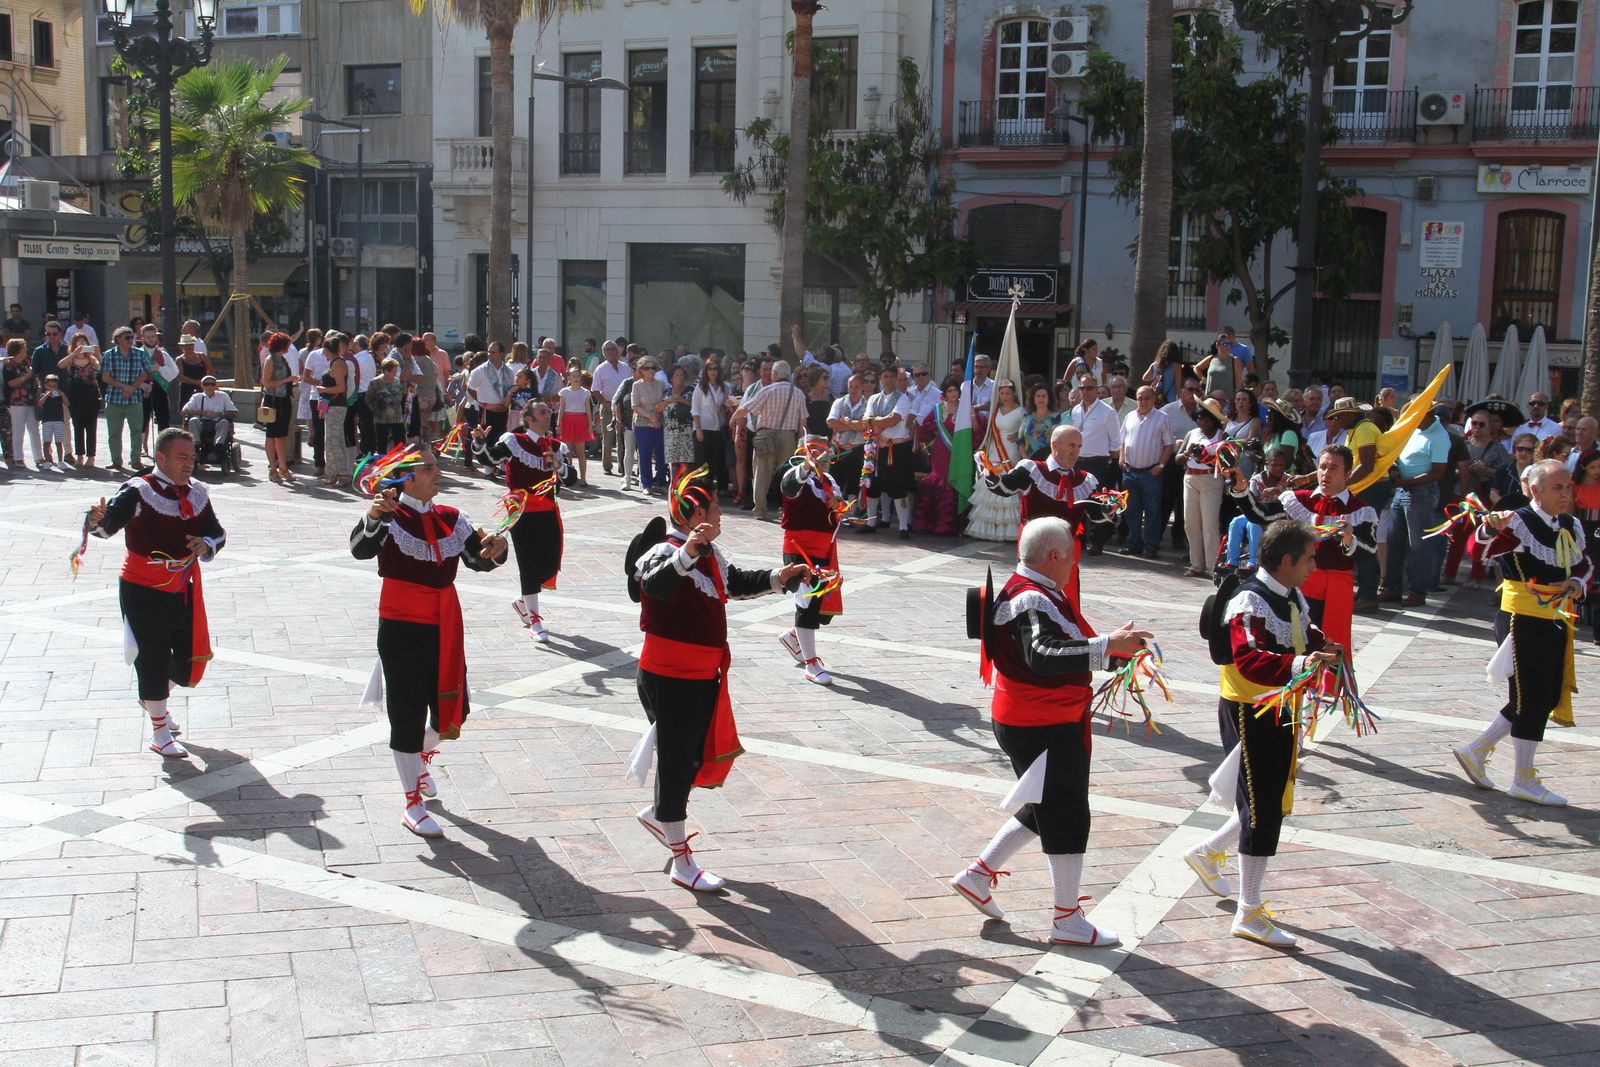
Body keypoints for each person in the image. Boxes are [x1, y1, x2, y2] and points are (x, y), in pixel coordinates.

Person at [950, 516, 1150, 945]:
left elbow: (1056, 650)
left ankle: (978, 875)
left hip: (1039, 717)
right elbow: (1042, 654)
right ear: (1055, 555)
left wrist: (1112, 650)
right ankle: (1066, 919)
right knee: (1067, 813)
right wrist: (1105, 646)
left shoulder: (1036, 591)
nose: (1075, 563)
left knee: (1047, 804)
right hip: (1041, 721)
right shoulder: (1031, 598)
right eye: (1072, 556)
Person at [626, 472, 808, 890]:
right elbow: (654, 586)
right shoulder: (664, 551)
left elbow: (734, 582)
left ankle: (658, 815)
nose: (721, 512)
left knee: (691, 757)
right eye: (714, 506)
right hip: (669, 676)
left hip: (701, 675)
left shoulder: (709, 553)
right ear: (697, 516)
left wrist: (780, 577)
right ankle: (681, 861)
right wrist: (687, 551)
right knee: (677, 764)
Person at [1183, 519, 1336, 948]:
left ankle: (1207, 853)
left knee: (1265, 798)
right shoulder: (1249, 601)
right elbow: (1248, 659)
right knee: (1263, 807)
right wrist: (1300, 664)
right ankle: (1248, 911)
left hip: (1279, 706)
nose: (1313, 567)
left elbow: (1303, 632)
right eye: (1309, 559)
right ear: (1286, 560)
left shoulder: (1289, 594)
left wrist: (1322, 647)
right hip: (1250, 710)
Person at [352, 447, 508, 837]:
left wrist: (497, 550)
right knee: (406, 711)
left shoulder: (451, 517)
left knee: (452, 709)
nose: (438, 472)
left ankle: (417, 758)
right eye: (429, 468)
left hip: (445, 622)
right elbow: (360, 550)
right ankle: (412, 802)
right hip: (401, 624)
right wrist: (374, 516)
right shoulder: (389, 516)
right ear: (406, 478)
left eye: (437, 466)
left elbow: (477, 559)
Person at [1453, 460, 1589, 807]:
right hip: (1521, 619)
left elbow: (1583, 563)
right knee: (1532, 696)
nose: (1565, 493)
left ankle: (1477, 749)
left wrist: (1576, 582)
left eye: (1568, 486)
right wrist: (1489, 529)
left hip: (1555, 618)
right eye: (1557, 487)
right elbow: (1478, 551)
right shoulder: (1519, 522)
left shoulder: (1570, 524)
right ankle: (1523, 778)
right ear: (1536, 490)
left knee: (1543, 694)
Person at [87, 428, 226, 759]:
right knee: (153, 655)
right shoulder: (138, 490)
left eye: (192, 457)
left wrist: (205, 543)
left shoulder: (197, 493)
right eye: (182, 457)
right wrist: (96, 521)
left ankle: (153, 697)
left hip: (181, 585)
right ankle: (160, 732)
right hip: (141, 587)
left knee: (190, 655)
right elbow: (106, 528)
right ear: (161, 458)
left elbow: (217, 533)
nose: (189, 463)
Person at [1228, 445, 1377, 653]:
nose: (1326, 473)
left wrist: (1349, 540)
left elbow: (1370, 553)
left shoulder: (1360, 510)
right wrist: (1242, 490)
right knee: (1297, 644)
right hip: (1298, 585)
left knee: (1331, 647)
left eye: (1334, 468)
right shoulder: (1297, 500)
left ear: (1347, 474)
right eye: (1322, 467)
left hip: (1336, 590)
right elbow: (1260, 514)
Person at [472, 399, 570, 641]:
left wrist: (559, 466)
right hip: (522, 511)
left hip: (548, 509)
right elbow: (489, 459)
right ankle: (535, 620)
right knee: (529, 563)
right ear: (528, 419)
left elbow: (572, 479)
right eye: (542, 412)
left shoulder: (555, 446)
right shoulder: (514, 441)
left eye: (548, 412)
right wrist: (480, 443)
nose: (548, 415)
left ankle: (522, 601)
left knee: (550, 562)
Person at [778, 438, 849, 685]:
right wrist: (807, 466)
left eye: (824, 452)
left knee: (822, 607)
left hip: (825, 549)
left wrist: (838, 504)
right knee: (807, 603)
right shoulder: (795, 474)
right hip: (799, 549)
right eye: (815, 451)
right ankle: (811, 664)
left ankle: (793, 636)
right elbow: (788, 487)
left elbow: (839, 509)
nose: (821, 456)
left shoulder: (827, 480)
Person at [1381, 403, 1450, 607]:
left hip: (1421, 491)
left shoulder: (1439, 436)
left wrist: (1406, 481)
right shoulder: (1415, 428)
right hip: (1404, 488)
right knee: (1394, 540)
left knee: (1418, 545)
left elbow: (1438, 472)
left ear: (1426, 414)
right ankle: (1392, 588)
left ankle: (1418, 592)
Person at [735, 359, 807, 521]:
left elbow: (747, 408)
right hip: (788, 436)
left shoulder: (768, 390)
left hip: (766, 435)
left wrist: (734, 417)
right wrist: (800, 440)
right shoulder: (798, 393)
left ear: (775, 374)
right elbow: (803, 421)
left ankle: (760, 509)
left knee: (762, 473)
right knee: (786, 474)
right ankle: (784, 508)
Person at [1065, 374, 1122, 555]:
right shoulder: (1075, 410)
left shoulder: (1107, 412)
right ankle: (1079, 539)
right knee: (1077, 502)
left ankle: (1098, 542)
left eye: (1090, 388)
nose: (1086, 392)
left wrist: (1107, 457)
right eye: (1082, 388)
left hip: (1098, 462)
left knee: (1099, 502)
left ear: (1097, 389)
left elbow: (1116, 440)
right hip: (1077, 462)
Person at [857, 365, 915, 537]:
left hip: (896, 447)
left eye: (891, 376)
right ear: (881, 378)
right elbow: (866, 420)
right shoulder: (874, 399)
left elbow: (894, 419)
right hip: (876, 446)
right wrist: (877, 422)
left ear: (896, 378)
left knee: (898, 485)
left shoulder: (903, 399)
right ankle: (871, 522)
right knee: (873, 482)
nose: (888, 380)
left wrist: (875, 421)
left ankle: (903, 527)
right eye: (885, 376)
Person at [1119, 385, 1176, 559]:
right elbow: (1122, 440)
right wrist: (1121, 459)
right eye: (1140, 398)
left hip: (1151, 473)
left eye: (1147, 398)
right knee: (1131, 510)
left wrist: (1161, 465)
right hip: (1130, 472)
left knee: (1152, 512)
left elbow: (1169, 444)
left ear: (1153, 399)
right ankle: (1134, 544)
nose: (1143, 401)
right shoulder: (1129, 416)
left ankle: (1151, 546)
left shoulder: (1162, 418)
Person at [967, 379, 1023, 542]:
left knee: (1008, 483)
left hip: (1010, 451)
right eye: (1002, 393)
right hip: (994, 450)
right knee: (991, 483)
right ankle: (988, 529)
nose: (1005, 396)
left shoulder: (1020, 411)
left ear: (1013, 393)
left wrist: (1019, 435)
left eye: (1008, 393)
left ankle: (1008, 530)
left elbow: (1026, 430)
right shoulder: (995, 410)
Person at [1179, 398, 1229, 578]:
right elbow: (1178, 459)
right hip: (1190, 477)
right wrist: (1188, 453)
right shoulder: (1192, 433)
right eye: (1199, 418)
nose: (1202, 422)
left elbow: (1226, 462)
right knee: (1191, 523)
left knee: (1210, 524)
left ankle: (1212, 566)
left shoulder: (1222, 436)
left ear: (1214, 420)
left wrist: (1204, 456)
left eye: (1206, 418)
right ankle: (1196, 564)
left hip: (1211, 478)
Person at [1222, 447, 1291, 573]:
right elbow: (1251, 502)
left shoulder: (1289, 481)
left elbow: (1290, 503)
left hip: (1277, 516)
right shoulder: (1257, 479)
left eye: (1281, 465)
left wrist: (1279, 492)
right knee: (1235, 522)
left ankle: (1253, 562)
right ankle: (1232, 562)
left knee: (1253, 523)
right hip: (1256, 512)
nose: (1278, 468)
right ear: (1267, 464)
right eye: (1274, 465)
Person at [913, 382, 964, 536]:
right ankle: (933, 523)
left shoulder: (965, 409)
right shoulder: (938, 409)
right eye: (950, 390)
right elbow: (925, 425)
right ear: (945, 394)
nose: (953, 393)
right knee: (941, 479)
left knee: (953, 480)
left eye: (955, 390)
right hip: (941, 450)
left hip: (958, 451)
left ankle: (949, 525)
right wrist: (936, 431)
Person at [318, 333, 357, 488]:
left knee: (335, 440)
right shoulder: (334, 362)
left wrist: (323, 389)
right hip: (331, 405)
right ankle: (334, 472)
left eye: (325, 350)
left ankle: (343, 473)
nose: (323, 353)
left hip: (337, 405)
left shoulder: (339, 364)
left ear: (330, 350)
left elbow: (340, 388)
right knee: (331, 440)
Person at [258, 333, 297, 482]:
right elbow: (266, 382)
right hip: (273, 400)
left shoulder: (282, 359)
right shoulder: (270, 360)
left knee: (281, 435)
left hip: (284, 399)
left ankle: (283, 467)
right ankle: (273, 470)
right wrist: (287, 379)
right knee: (271, 434)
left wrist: (290, 381)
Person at [826, 373, 869, 499]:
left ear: (862, 387)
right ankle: (836, 508)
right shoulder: (838, 402)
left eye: (856, 387)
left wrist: (845, 422)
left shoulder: (868, 405)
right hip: (839, 448)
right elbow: (830, 423)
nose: (853, 390)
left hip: (857, 449)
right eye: (851, 387)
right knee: (835, 482)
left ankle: (852, 508)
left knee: (854, 483)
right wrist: (854, 425)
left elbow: (864, 426)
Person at [691, 357, 730, 495]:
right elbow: (695, 409)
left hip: (718, 427)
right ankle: (700, 487)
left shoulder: (725, 387)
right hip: (703, 427)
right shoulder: (700, 387)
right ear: (705, 371)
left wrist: (723, 408)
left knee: (717, 459)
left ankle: (718, 487)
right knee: (702, 459)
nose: (713, 372)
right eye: (710, 369)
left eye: (715, 369)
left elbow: (729, 404)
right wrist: (698, 429)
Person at [180, 375, 239, 464]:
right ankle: (195, 448)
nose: (209, 386)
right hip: (202, 423)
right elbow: (184, 411)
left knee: (224, 422)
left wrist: (218, 414)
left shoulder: (223, 396)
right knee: (193, 420)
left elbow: (235, 412)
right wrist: (203, 413)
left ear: (216, 386)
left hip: (218, 423)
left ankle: (218, 448)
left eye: (212, 384)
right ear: (202, 386)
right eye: (206, 384)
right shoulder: (197, 397)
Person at [4, 338, 42, 469]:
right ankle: (18, 457)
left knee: (34, 428)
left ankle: (38, 456)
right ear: (17, 350)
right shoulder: (9, 365)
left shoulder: (27, 362)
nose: (26, 349)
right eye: (23, 347)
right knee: (18, 429)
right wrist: (26, 376)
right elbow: (11, 383)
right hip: (17, 401)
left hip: (31, 399)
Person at [592, 341, 628, 477]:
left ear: (618, 351)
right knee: (608, 437)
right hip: (607, 406)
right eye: (607, 349)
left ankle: (622, 466)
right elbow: (595, 390)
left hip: (623, 407)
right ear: (604, 353)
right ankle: (607, 466)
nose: (611, 351)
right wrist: (604, 403)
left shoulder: (625, 367)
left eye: (613, 348)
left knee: (622, 438)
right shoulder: (600, 369)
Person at [557, 366, 594, 485]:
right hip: (567, 421)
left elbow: (588, 409)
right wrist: (558, 424)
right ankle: (569, 477)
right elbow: (561, 409)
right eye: (573, 376)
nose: (576, 378)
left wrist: (590, 424)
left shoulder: (585, 393)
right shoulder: (564, 392)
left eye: (578, 376)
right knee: (568, 452)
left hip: (580, 421)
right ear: (569, 378)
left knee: (580, 452)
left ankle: (583, 478)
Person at [663, 364, 697, 483]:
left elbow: (696, 406)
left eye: (682, 375)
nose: (680, 377)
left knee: (686, 462)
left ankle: (685, 487)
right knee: (673, 462)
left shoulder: (691, 391)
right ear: (671, 378)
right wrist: (668, 400)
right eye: (677, 375)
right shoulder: (666, 392)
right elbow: (657, 409)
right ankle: (674, 485)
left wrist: (681, 400)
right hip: (670, 432)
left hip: (686, 431)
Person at [1020, 384, 1059, 461]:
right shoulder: (1027, 417)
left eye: (1044, 396)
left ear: (1049, 399)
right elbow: (1020, 441)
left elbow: (1058, 440)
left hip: (1048, 460)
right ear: (1033, 398)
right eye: (1038, 396)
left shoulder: (1056, 417)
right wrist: (1026, 459)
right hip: (1028, 461)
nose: (1041, 398)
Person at [37, 374, 67, 471]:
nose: (52, 388)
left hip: (59, 421)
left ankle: (60, 461)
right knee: (47, 442)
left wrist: (62, 394)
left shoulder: (59, 395)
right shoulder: (44, 395)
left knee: (59, 442)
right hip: (47, 421)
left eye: (54, 386)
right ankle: (46, 461)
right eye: (50, 386)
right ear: (46, 386)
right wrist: (47, 394)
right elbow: (39, 404)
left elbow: (67, 403)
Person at [176, 334, 212, 408]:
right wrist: (196, 382)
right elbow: (180, 377)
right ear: (182, 347)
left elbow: (210, 370)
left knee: (205, 407)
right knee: (185, 408)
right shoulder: (179, 360)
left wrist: (207, 382)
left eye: (191, 345)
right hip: (186, 389)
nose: (189, 347)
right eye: (186, 345)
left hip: (203, 387)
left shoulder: (202, 356)